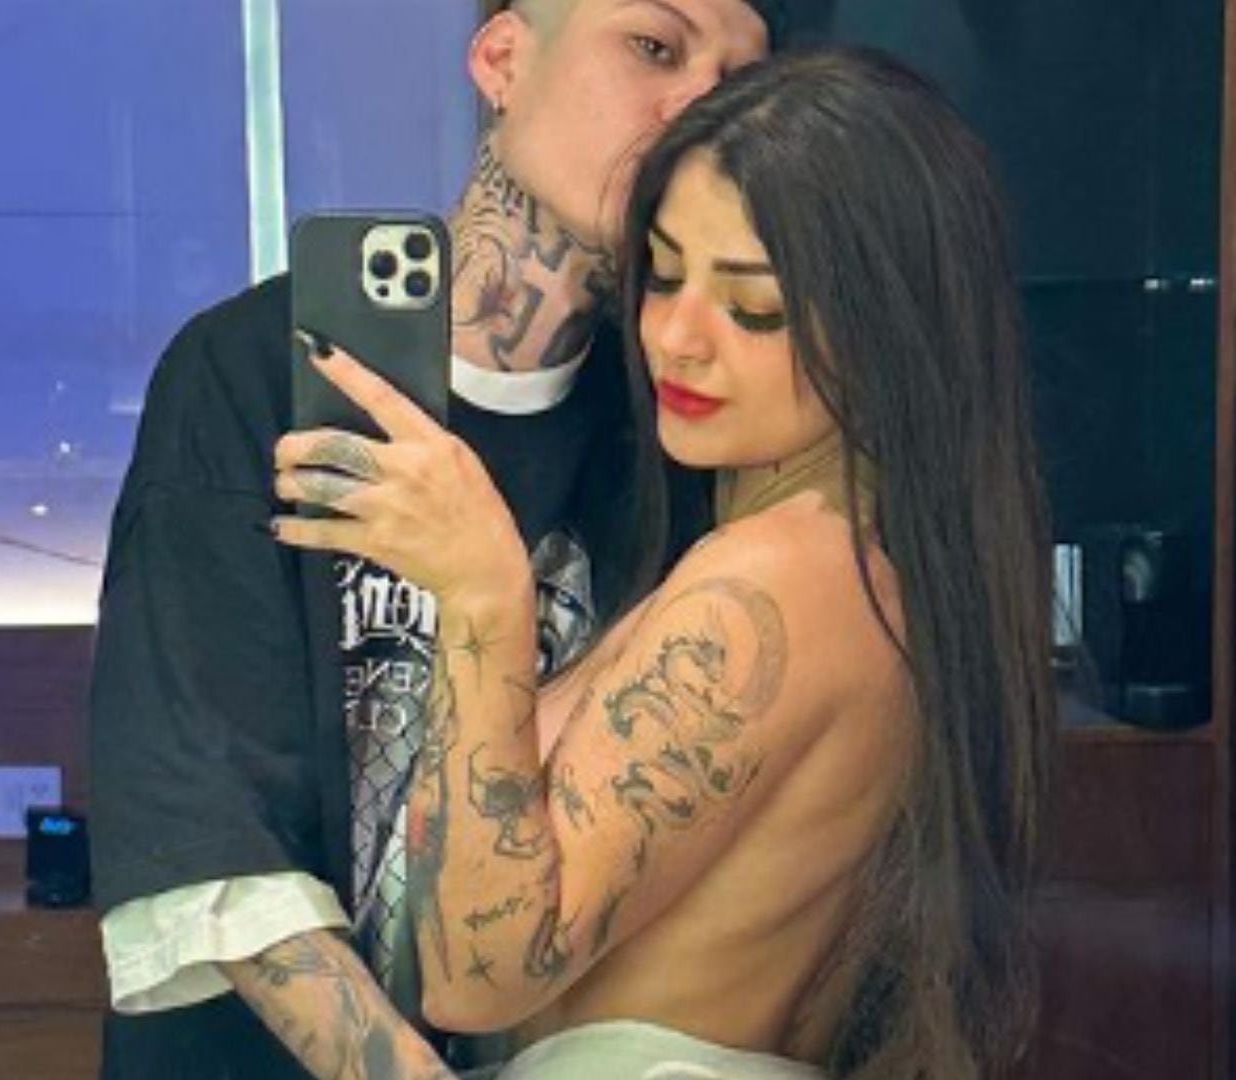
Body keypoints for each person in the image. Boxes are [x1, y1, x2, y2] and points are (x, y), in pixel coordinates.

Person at [272, 47, 1055, 1079]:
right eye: (666, 273)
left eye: (755, 308)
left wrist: (484, 595)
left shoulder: (773, 581)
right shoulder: (850, 570)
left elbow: (478, 972)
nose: (677, 337)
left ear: (890, 327)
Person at [89, 3, 833, 1078]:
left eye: (735, 81)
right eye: (654, 48)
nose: (697, 113)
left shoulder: (674, 424)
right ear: (502, 59)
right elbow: (207, 833)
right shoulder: (250, 372)